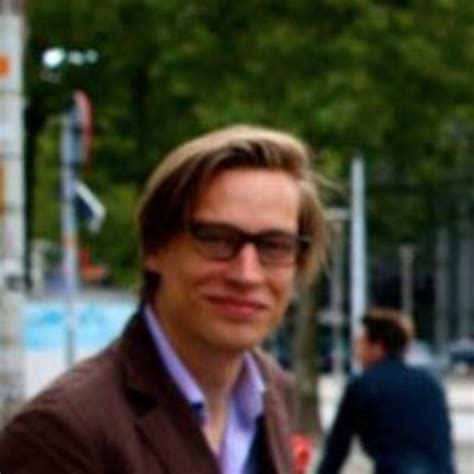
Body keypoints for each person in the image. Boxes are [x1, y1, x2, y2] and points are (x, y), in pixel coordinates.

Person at [0, 125, 330, 474]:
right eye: (216, 239)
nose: (246, 275)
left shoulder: (273, 391)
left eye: (274, 246)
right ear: (155, 248)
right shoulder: (62, 433)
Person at [316, 308, 455, 474]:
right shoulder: (430, 384)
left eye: (361, 344)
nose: (357, 353)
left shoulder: (363, 386)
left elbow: (336, 451)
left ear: (378, 347)